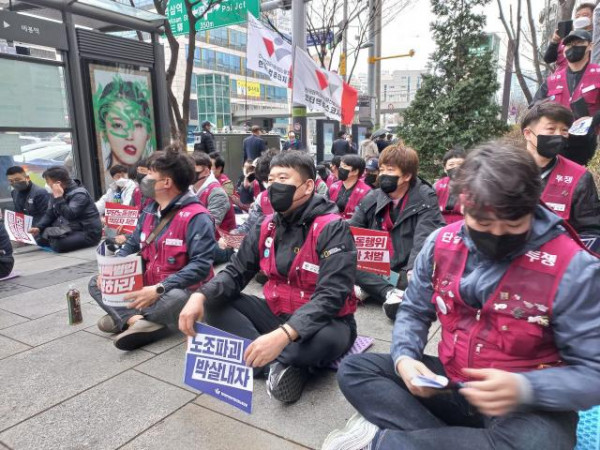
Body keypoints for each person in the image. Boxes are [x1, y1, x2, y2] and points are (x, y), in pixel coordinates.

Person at [323, 140, 600, 450]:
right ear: (463, 206)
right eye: (482, 222)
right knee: (356, 370)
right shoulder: (442, 243)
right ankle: (428, 441)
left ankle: (397, 440)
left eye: (513, 224)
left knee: (541, 442)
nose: (496, 234)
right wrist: (404, 358)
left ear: (533, 208)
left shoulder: (573, 268)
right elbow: (414, 310)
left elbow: (593, 373)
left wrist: (524, 387)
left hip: (526, 405)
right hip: (452, 381)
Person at [178, 151, 358, 404]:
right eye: (270, 180)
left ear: (308, 186)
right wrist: (200, 294)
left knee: (320, 343)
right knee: (211, 303)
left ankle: (275, 358)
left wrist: (284, 334)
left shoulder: (332, 227)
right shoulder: (265, 225)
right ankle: (276, 364)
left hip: (326, 323)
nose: (274, 187)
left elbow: (332, 295)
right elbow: (236, 271)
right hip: (277, 311)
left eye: (283, 178)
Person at [89, 146, 216, 350]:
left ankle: (124, 317)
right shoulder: (149, 210)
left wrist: (159, 289)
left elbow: (200, 266)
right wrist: (110, 272)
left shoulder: (197, 217)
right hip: (149, 283)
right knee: (96, 283)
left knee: (178, 298)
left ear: (166, 182)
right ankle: (138, 321)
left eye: (150, 174)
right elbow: (131, 245)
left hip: (175, 289)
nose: (144, 179)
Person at [349, 145, 445, 319]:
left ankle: (370, 288)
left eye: (390, 170)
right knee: (345, 261)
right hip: (376, 265)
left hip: (404, 267)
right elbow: (353, 228)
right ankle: (388, 293)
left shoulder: (425, 198)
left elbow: (425, 237)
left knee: (417, 279)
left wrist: (413, 268)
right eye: (382, 169)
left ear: (407, 175)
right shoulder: (373, 196)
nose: (383, 175)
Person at [522, 102, 600, 237]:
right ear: (528, 133)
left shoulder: (579, 177)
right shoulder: (504, 171)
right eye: (551, 129)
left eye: (564, 130)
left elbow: (591, 232)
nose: (559, 135)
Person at [94, 76, 153, 188]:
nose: (129, 136)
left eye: (137, 124)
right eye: (118, 125)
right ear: (104, 131)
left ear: (148, 132)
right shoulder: (110, 186)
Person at [30, 166, 102, 253]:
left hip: (87, 232)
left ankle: (55, 239)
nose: (47, 185)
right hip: (69, 229)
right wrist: (39, 227)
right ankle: (53, 238)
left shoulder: (79, 194)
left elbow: (70, 215)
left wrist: (59, 198)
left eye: (48, 182)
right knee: (38, 237)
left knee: (59, 245)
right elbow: (50, 214)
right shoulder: (56, 193)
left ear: (58, 183)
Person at [533, 29, 600, 119]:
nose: (573, 46)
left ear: (590, 46)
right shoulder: (551, 81)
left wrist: (593, 120)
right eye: (568, 44)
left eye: (578, 42)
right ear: (564, 52)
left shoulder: (598, 74)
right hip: (559, 132)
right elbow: (533, 109)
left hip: (592, 132)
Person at [192, 153, 237, 264]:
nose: (188, 174)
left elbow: (207, 228)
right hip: (202, 241)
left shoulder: (219, 190)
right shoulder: (191, 189)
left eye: (193, 171)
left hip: (220, 244)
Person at [544, 2, 595, 72]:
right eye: (577, 16)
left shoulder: (596, 38)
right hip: (560, 78)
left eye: (585, 15)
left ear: (594, 17)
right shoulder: (566, 39)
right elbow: (548, 59)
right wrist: (554, 41)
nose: (580, 18)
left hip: (586, 78)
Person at [328, 154, 372, 219]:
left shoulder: (366, 192)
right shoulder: (333, 186)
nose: (340, 168)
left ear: (355, 171)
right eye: (340, 166)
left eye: (344, 166)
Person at [434, 147, 466, 224]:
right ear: (445, 168)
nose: (456, 167)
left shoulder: (474, 185)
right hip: (440, 225)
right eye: (451, 164)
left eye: (460, 164)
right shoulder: (437, 186)